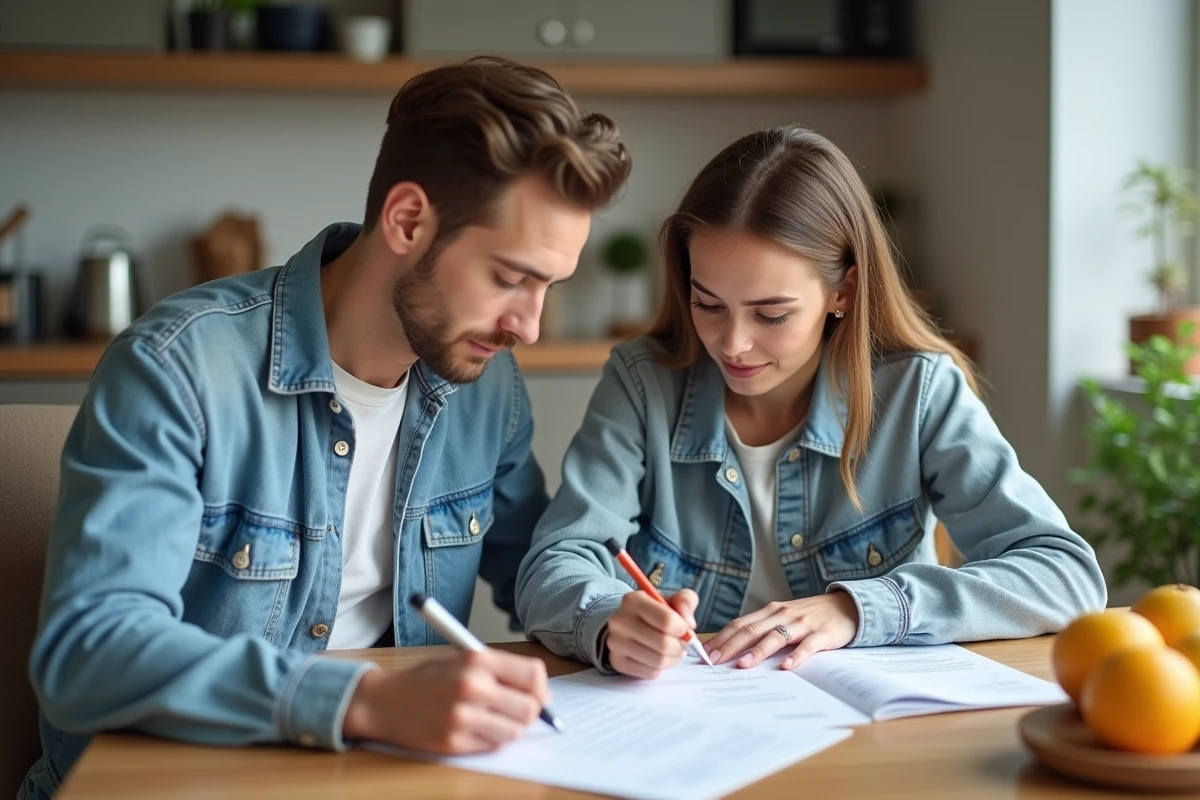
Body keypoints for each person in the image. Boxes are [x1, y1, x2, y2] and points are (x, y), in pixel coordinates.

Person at [20, 56, 630, 799]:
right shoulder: (177, 366)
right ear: (408, 221)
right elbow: (89, 654)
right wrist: (362, 703)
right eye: (509, 277)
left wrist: (607, 616)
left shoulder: (484, 384)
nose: (528, 326)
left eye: (548, 287)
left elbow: (533, 562)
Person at [515, 125, 1106, 681]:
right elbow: (554, 564)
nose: (733, 344)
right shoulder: (642, 383)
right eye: (708, 303)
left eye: (771, 314)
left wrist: (858, 610)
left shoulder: (920, 392)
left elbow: (1066, 576)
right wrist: (608, 617)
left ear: (842, 291)